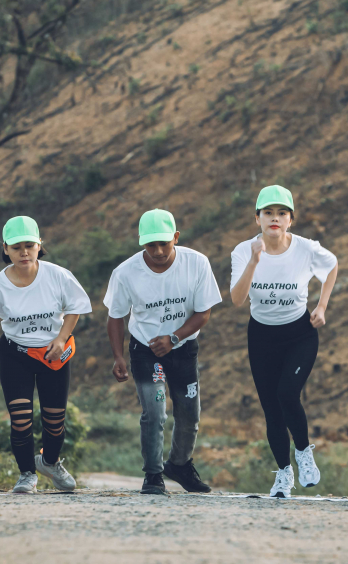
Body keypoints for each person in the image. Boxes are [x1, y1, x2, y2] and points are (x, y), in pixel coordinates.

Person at [229, 185, 338, 498]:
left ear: (291, 220)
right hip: (262, 336)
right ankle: (283, 476)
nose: (274, 218)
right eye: (268, 213)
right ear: (258, 219)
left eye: (281, 213)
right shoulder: (243, 250)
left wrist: (321, 306)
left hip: (299, 334)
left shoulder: (305, 248)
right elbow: (237, 300)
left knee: (287, 393)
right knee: (271, 410)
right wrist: (253, 261)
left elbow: (331, 267)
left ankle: (303, 454)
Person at [105, 209, 222, 495]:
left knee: (189, 414)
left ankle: (179, 465)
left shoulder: (196, 263)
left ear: (176, 238)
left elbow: (203, 311)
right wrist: (119, 356)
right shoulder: (125, 272)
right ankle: (153, 475)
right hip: (145, 350)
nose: (157, 251)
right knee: (155, 411)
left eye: (164, 244)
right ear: (141, 242)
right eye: (150, 245)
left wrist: (174, 337)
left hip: (183, 349)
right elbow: (116, 316)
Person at [0, 216, 91, 494]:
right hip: (16, 356)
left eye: (29, 245)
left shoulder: (58, 276)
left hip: (53, 355)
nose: (23, 252)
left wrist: (62, 339)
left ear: (40, 245)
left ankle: (49, 462)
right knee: (21, 418)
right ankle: (27, 474)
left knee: (54, 420)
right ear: (5, 249)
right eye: (16, 247)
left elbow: (77, 306)